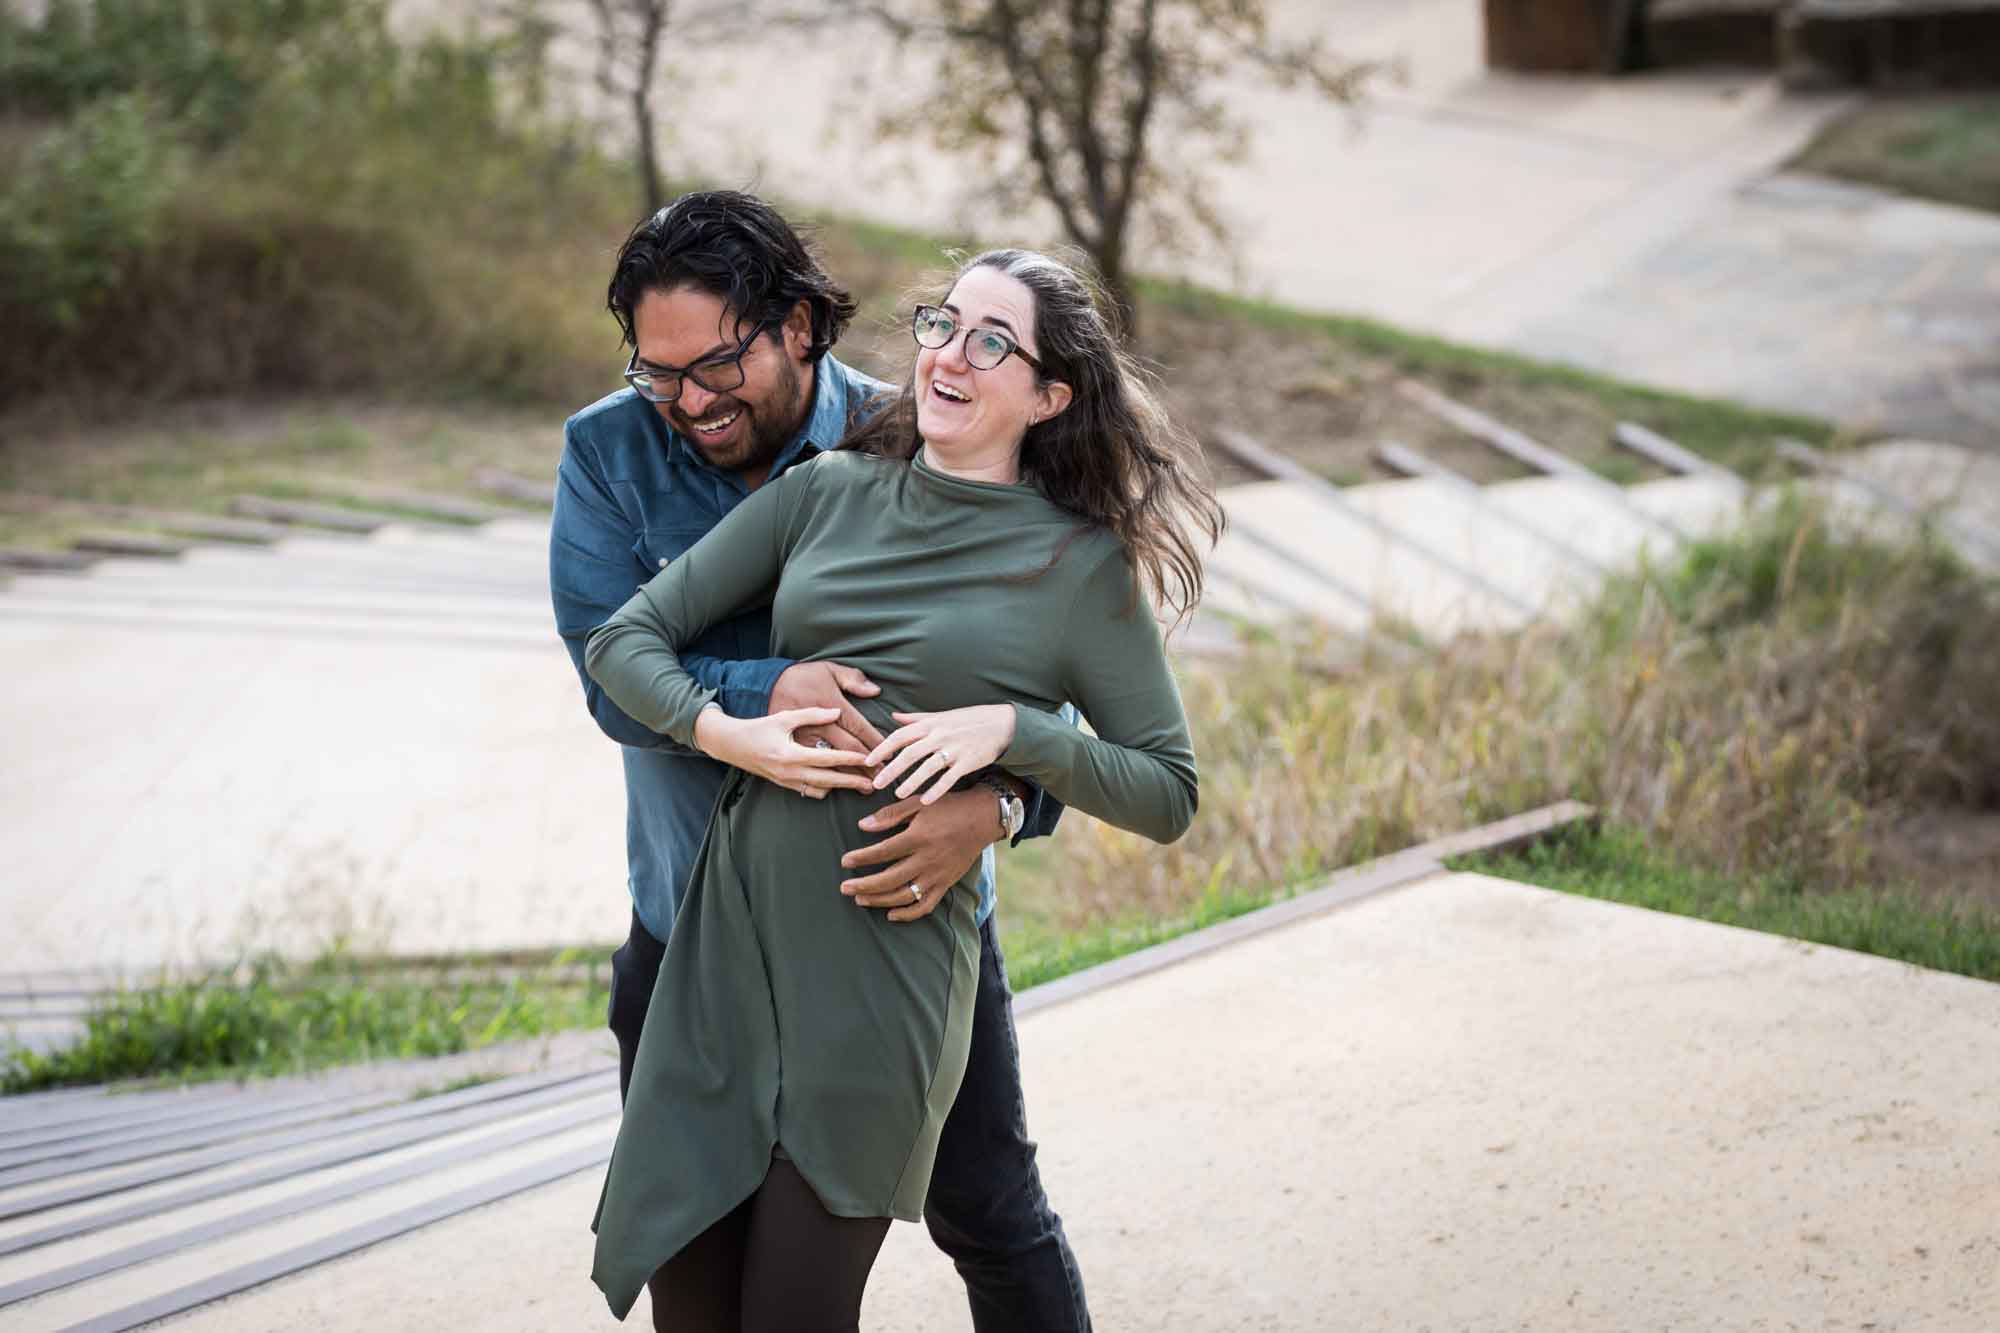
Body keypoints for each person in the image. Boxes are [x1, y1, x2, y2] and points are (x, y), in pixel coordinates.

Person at [583, 241, 1223, 1330]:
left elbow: (1165, 789)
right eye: (942, 323)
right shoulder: (825, 492)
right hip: (725, 946)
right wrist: (734, 732)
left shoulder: (1077, 565)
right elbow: (625, 640)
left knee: (798, 1310)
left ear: (1046, 393)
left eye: (991, 340)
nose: (951, 354)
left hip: (883, 968)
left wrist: (1015, 735)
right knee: (690, 1308)